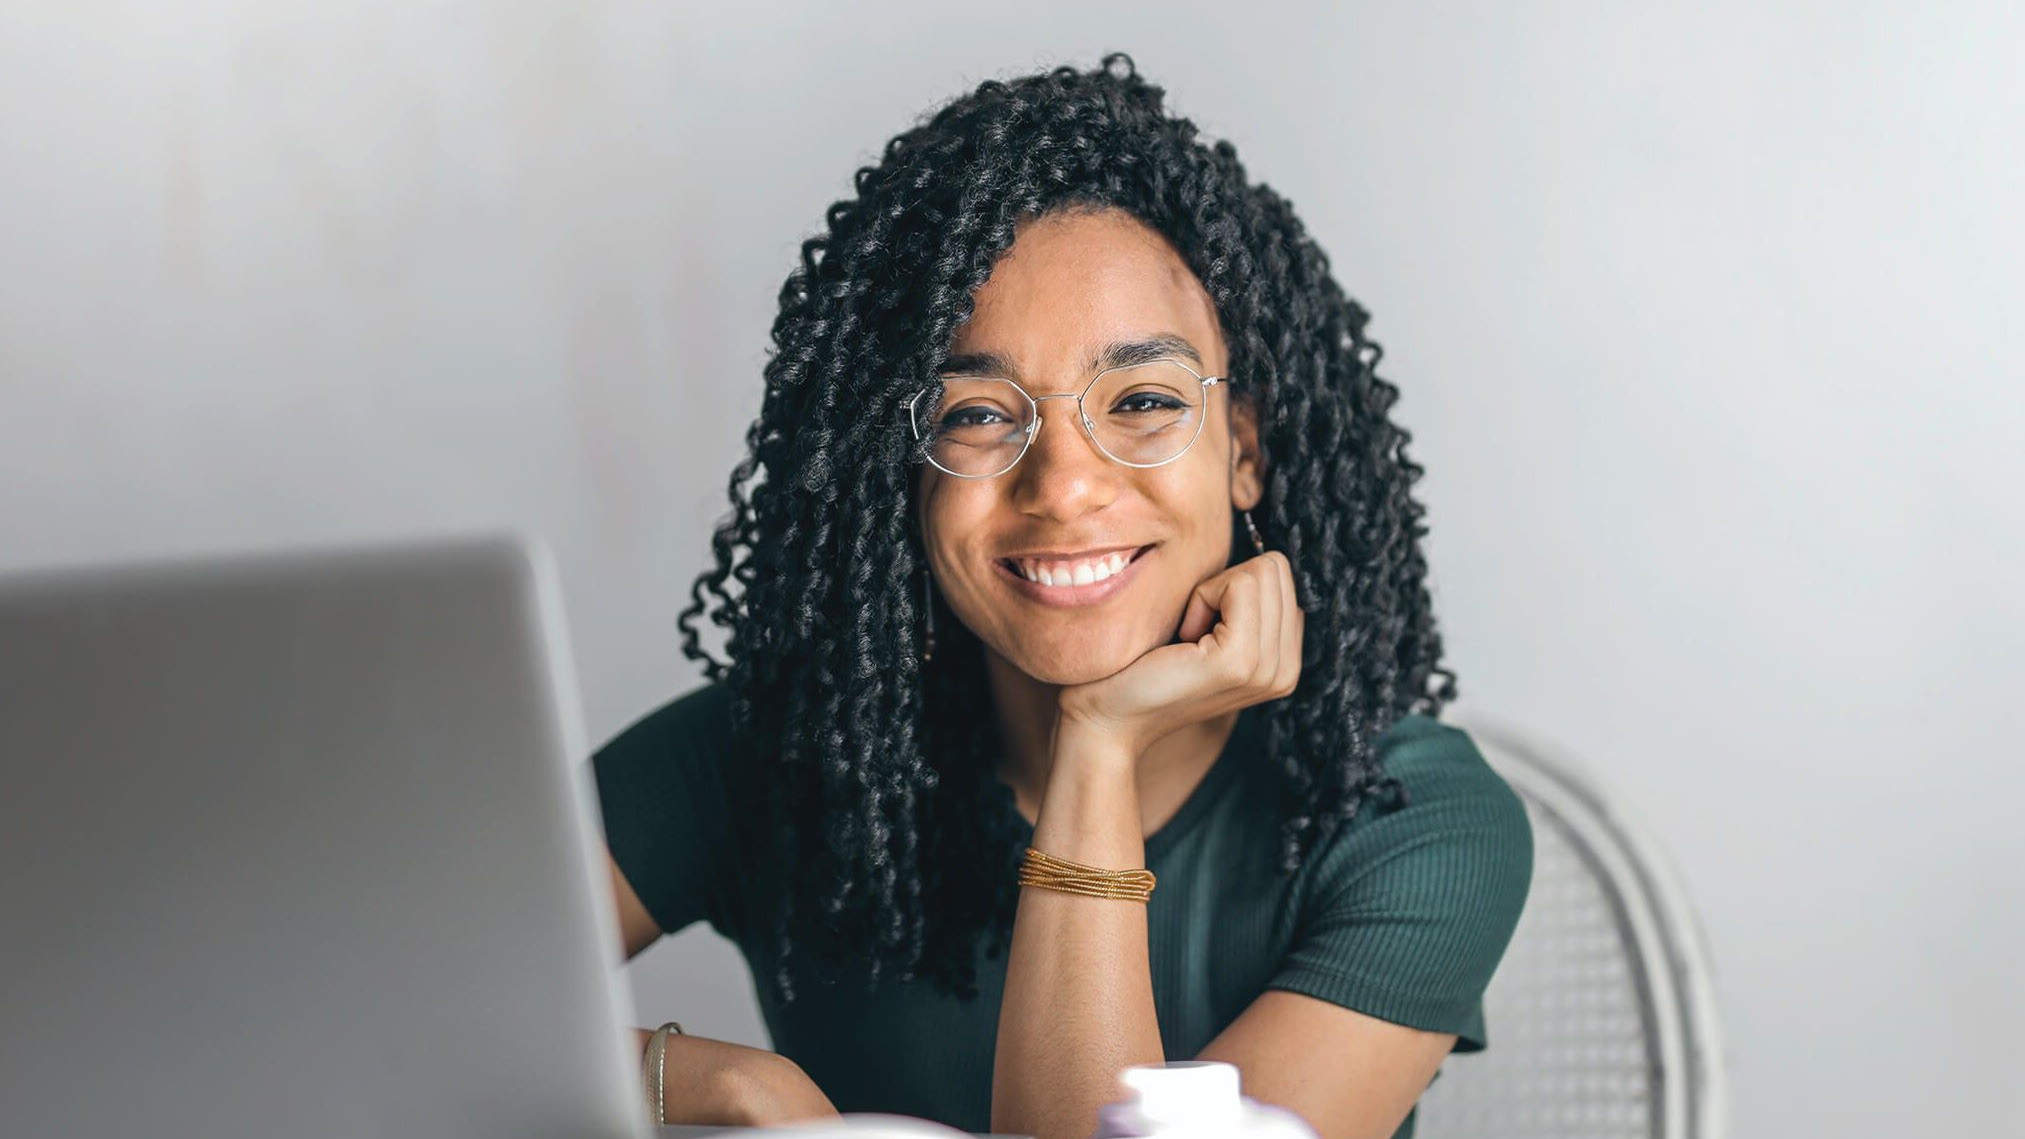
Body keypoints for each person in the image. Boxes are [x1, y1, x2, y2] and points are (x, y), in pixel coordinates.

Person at [593, 53, 1532, 1139]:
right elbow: (379, 992)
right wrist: (718, 1084)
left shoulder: (1410, 820)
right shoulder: (777, 751)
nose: (1066, 484)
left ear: (1246, 448)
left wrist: (1098, 743)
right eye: (977, 415)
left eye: (1140, 398)